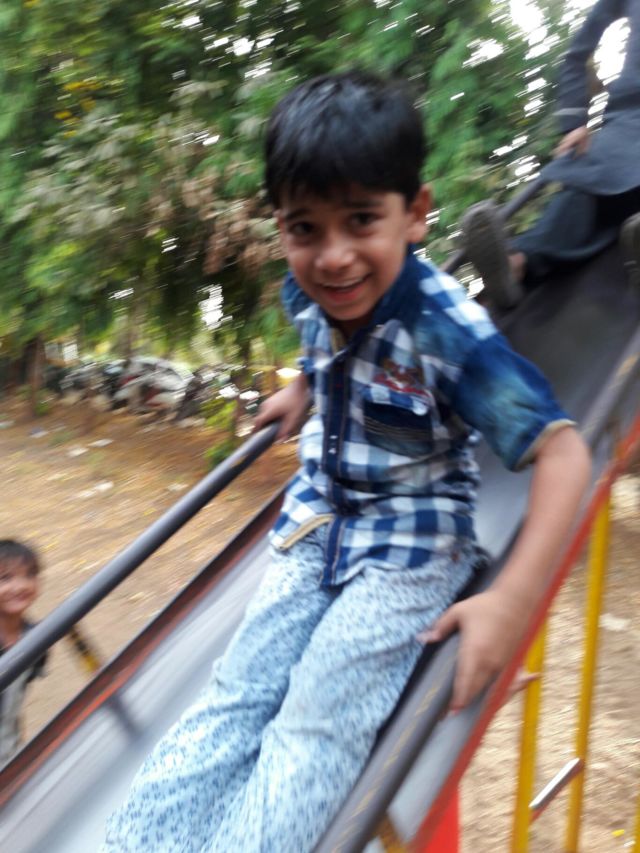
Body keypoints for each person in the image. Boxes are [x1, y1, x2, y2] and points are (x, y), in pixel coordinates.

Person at [102, 71, 591, 853]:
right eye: (306, 229)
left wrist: (512, 600)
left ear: (416, 213)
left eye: (361, 220)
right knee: (236, 691)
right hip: (317, 522)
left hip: (409, 548)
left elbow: (564, 453)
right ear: (283, 226)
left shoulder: (444, 330)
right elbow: (324, 342)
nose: (333, 257)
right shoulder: (310, 291)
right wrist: (303, 388)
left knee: (315, 721)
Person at [462, 0, 640, 307]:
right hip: (628, 125)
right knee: (583, 187)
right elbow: (576, 54)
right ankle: (514, 266)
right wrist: (574, 122)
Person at [0, 539, 46, 767]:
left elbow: (16, 699)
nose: (20, 586)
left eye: (29, 575)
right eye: (5, 578)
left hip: (9, 751)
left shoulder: (35, 637)